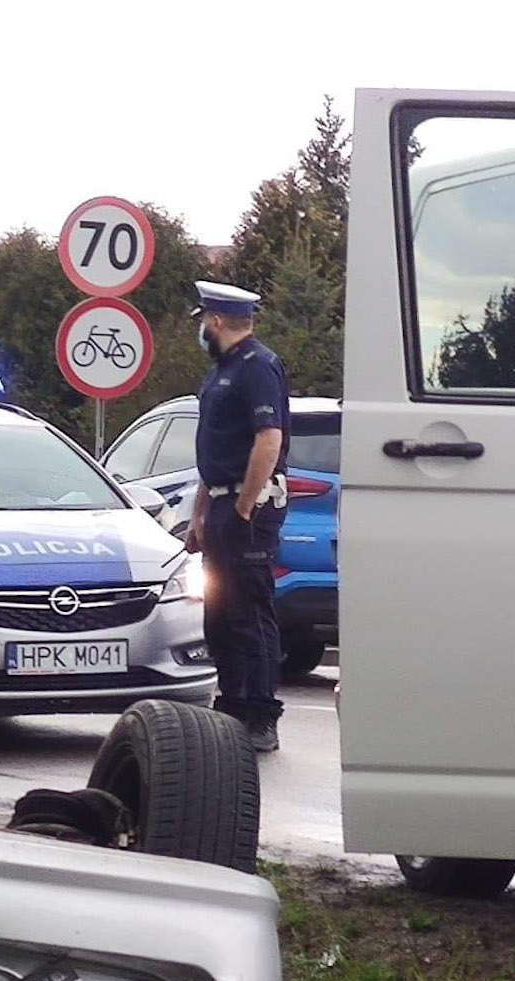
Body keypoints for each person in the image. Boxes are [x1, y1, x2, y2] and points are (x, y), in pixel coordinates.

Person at [184, 279, 289, 755]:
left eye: (203, 320)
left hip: (250, 508)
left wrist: (245, 506)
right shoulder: (221, 371)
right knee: (220, 613)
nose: (201, 328)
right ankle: (231, 705)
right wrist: (200, 514)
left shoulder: (258, 367)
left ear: (219, 321)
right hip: (223, 504)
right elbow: (215, 452)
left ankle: (260, 713)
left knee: (251, 612)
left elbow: (269, 440)